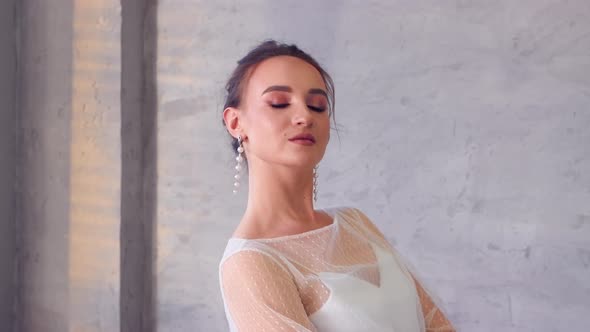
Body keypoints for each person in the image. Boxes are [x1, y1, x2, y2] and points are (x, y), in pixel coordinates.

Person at [219, 39, 455, 332]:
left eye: (317, 106)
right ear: (235, 122)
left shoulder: (355, 223)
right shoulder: (251, 263)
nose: (304, 116)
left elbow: (439, 325)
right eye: (279, 102)